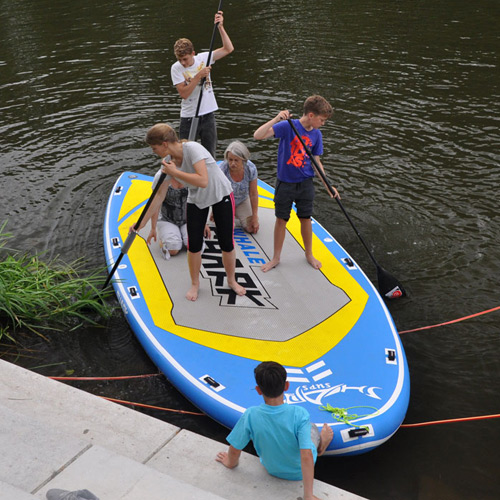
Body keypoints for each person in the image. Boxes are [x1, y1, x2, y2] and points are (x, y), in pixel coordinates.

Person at [136, 123, 246, 302]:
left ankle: (232, 280)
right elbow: (159, 196)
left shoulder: (193, 148)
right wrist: (142, 222)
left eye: (154, 148)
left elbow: (203, 180)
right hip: (197, 200)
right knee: (194, 245)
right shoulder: (168, 163)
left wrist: (174, 171)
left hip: (221, 195)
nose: (154, 152)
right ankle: (195, 284)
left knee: (226, 243)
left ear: (165, 144)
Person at [215, 361, 333, 500]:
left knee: (261, 429)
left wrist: (230, 463)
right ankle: (321, 446)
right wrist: (308, 496)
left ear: (258, 390)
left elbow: (235, 449)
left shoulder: (250, 415)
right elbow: (306, 454)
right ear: (287, 386)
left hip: (271, 469)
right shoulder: (299, 414)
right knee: (312, 427)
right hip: (298, 473)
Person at [253, 95, 339, 273]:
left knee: (305, 218)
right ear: (310, 115)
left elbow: (316, 162)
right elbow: (258, 135)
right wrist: (277, 118)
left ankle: (309, 254)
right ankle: (276, 258)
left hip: (305, 184)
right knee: (281, 220)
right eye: (321, 120)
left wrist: (328, 186)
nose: (323, 123)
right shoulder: (288, 126)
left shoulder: (317, 134)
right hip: (286, 183)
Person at [171, 10, 234, 158]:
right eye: (180, 60)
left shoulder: (203, 58)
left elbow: (228, 49)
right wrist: (199, 76)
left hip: (208, 114)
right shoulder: (176, 68)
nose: (183, 63)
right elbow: (184, 94)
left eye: (185, 59)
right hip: (189, 116)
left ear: (193, 53)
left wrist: (220, 27)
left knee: (210, 154)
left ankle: (207, 180)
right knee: (185, 155)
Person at [147, 173, 210, 260]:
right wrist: (153, 228)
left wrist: (203, 223)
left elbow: (200, 199)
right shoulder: (161, 176)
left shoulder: (193, 173)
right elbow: (155, 204)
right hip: (167, 219)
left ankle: (182, 234)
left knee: (194, 246)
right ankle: (165, 239)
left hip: (189, 218)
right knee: (173, 249)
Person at [219, 141, 259, 233]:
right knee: (228, 228)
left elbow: (253, 193)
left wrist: (255, 216)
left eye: (236, 160)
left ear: (243, 160)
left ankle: (237, 213)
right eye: (230, 160)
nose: (232, 163)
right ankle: (231, 215)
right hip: (226, 201)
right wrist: (215, 210)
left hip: (242, 200)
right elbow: (217, 192)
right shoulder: (222, 169)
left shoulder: (251, 168)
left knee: (252, 228)